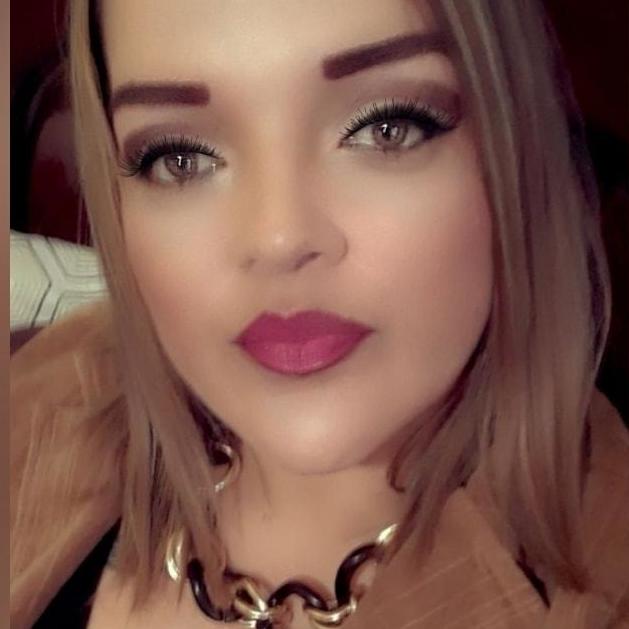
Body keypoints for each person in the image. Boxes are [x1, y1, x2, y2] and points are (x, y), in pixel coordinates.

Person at [10, 0, 629, 628]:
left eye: (386, 127)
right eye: (180, 157)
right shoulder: (43, 393)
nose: (278, 239)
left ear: (513, 148)